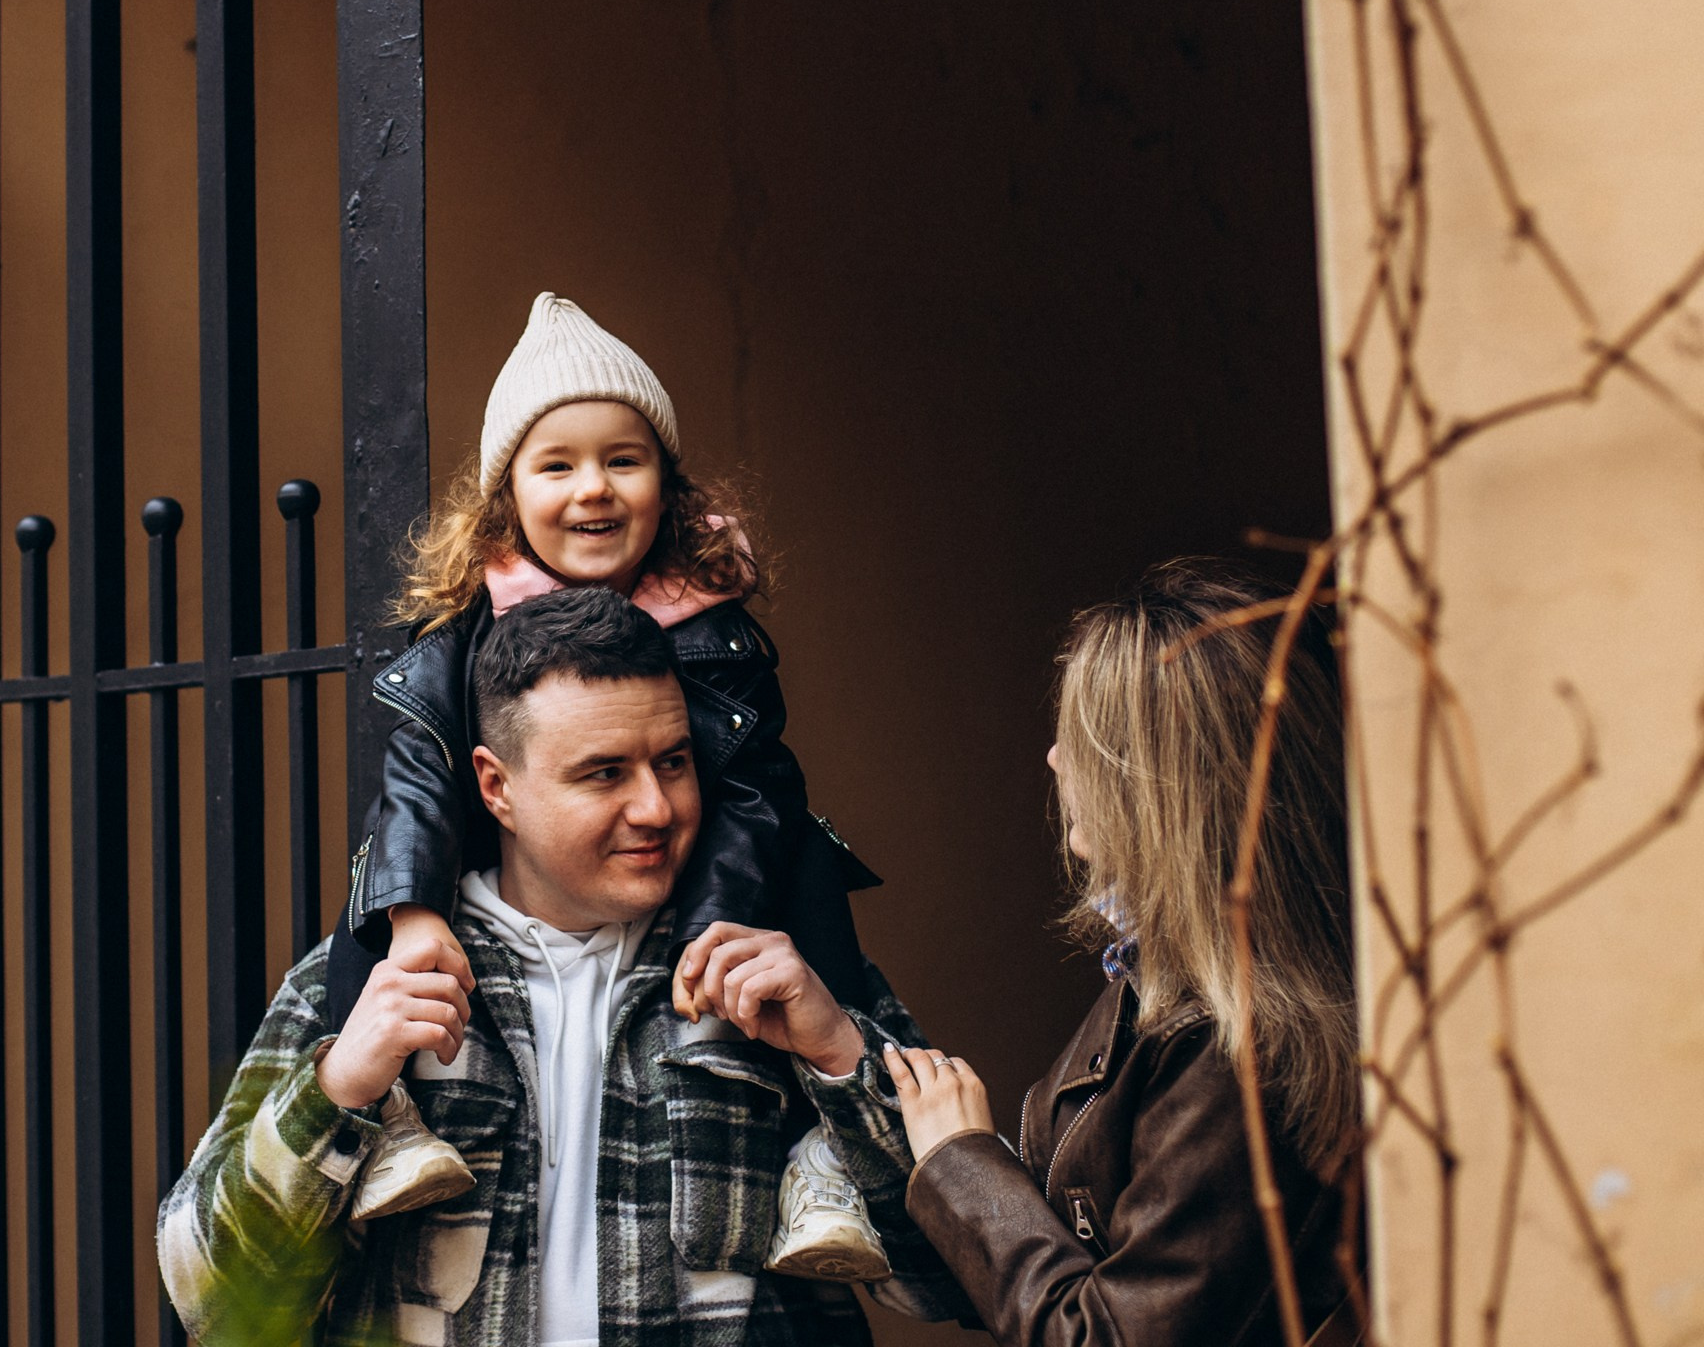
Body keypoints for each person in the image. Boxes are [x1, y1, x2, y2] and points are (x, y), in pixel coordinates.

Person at [157, 589, 964, 1347]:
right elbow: (211, 1302)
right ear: (495, 786)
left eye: (675, 762)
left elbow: (956, 1284)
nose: (655, 808)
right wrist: (337, 1092)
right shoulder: (368, 980)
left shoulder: (776, 978)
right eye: (605, 772)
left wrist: (842, 1061)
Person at [332, 292, 888, 1278]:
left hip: (714, 895)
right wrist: (415, 916)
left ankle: (824, 1162)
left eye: (622, 460)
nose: (593, 487)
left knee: (802, 839)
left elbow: (751, 792)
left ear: (668, 487)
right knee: (374, 881)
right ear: (508, 498)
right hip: (480, 914)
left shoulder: (714, 631)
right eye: (558, 464)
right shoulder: (464, 642)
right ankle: (386, 1119)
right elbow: (420, 783)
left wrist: (715, 926)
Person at [882, 560, 1363, 1346]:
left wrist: (963, 1160)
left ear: (1159, 786)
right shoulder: (1159, 977)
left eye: (1080, 741)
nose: (1053, 761)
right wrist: (838, 1048)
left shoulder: (1236, 1045)